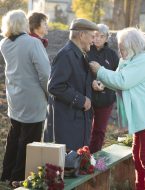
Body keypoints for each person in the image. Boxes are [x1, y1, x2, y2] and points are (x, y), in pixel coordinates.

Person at [89, 27, 145, 190]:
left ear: (133, 45)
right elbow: (117, 80)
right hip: (143, 116)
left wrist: (99, 71)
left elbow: (123, 81)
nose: (120, 52)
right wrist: (101, 82)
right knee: (137, 153)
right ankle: (139, 186)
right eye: (119, 48)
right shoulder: (129, 59)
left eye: (122, 48)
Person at [0, 10, 50, 184]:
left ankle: (6, 174)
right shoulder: (33, 43)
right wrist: (48, 93)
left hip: (15, 96)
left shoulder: (4, 44)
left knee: (14, 136)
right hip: (33, 98)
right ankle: (18, 178)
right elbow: (45, 74)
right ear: (24, 24)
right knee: (29, 140)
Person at [43, 18, 98, 151]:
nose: (93, 40)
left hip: (76, 123)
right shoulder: (66, 55)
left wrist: (92, 83)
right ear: (81, 35)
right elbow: (55, 86)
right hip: (67, 126)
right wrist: (81, 100)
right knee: (67, 167)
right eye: (92, 36)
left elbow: (74, 82)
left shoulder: (79, 54)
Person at [87, 24, 119, 153]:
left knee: (99, 130)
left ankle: (94, 157)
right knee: (85, 129)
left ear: (106, 38)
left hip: (106, 99)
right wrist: (91, 82)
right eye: (95, 36)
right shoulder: (86, 51)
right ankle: (82, 157)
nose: (98, 39)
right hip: (88, 98)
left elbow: (118, 76)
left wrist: (105, 83)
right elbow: (80, 73)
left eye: (102, 36)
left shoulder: (112, 55)